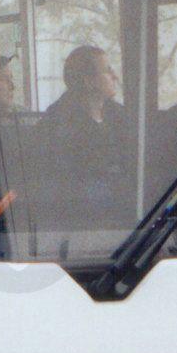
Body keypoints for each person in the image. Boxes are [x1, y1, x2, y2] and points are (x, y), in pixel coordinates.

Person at [37, 45, 133, 222]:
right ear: (89, 81)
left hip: (123, 215)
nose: (115, 76)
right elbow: (62, 183)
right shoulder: (57, 123)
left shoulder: (120, 116)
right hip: (77, 219)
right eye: (108, 70)